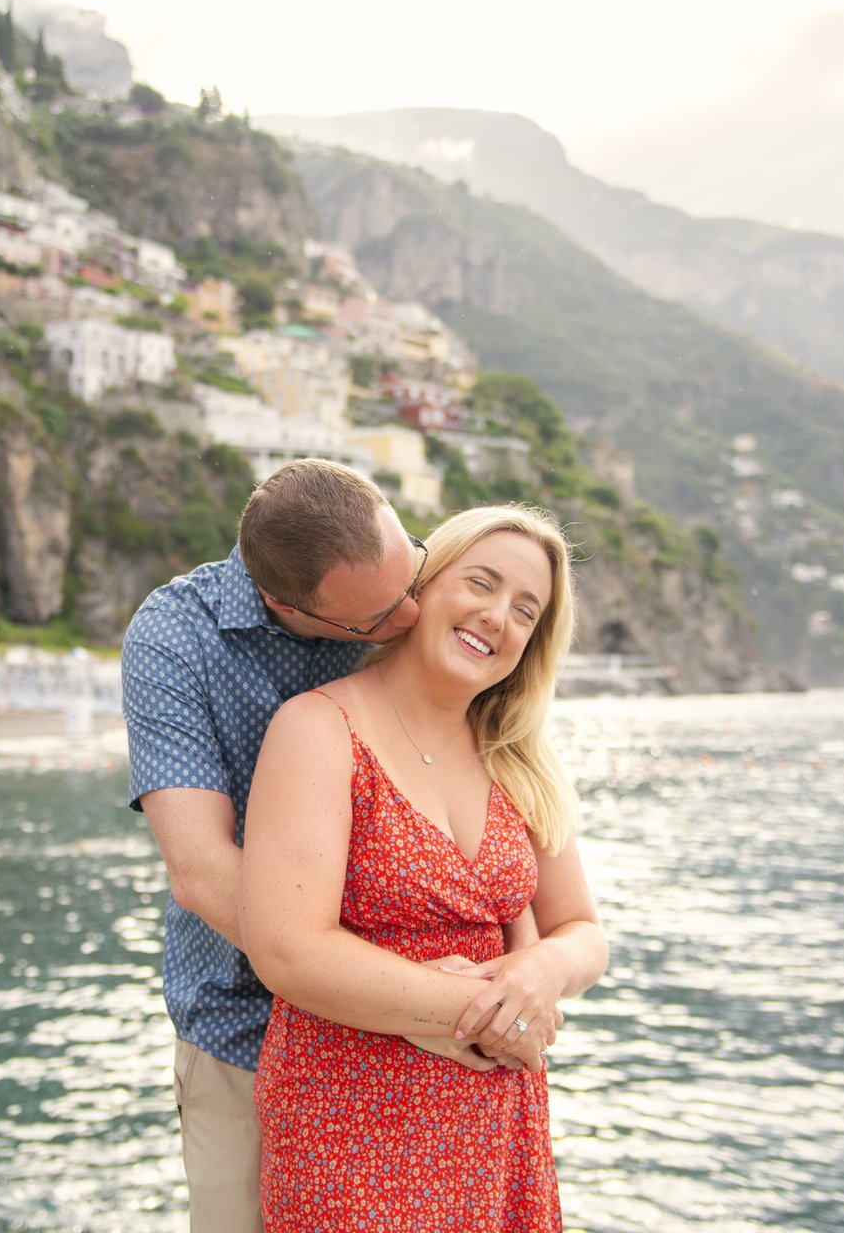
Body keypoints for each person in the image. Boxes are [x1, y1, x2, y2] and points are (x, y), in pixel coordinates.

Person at [239, 503, 608, 1231]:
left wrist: (541, 973)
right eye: (481, 583)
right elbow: (288, 950)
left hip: (498, 1124)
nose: (497, 617)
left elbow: (582, 930)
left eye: (526, 611)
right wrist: (485, 1012)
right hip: (348, 1126)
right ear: (423, 584)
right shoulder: (319, 728)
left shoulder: (519, 757)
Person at [119, 459, 431, 1233]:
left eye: (414, 575)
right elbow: (200, 871)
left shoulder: (412, 595)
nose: (415, 617)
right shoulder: (175, 637)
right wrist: (400, 991)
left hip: (426, 1021)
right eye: (377, 619)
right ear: (284, 604)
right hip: (247, 1031)